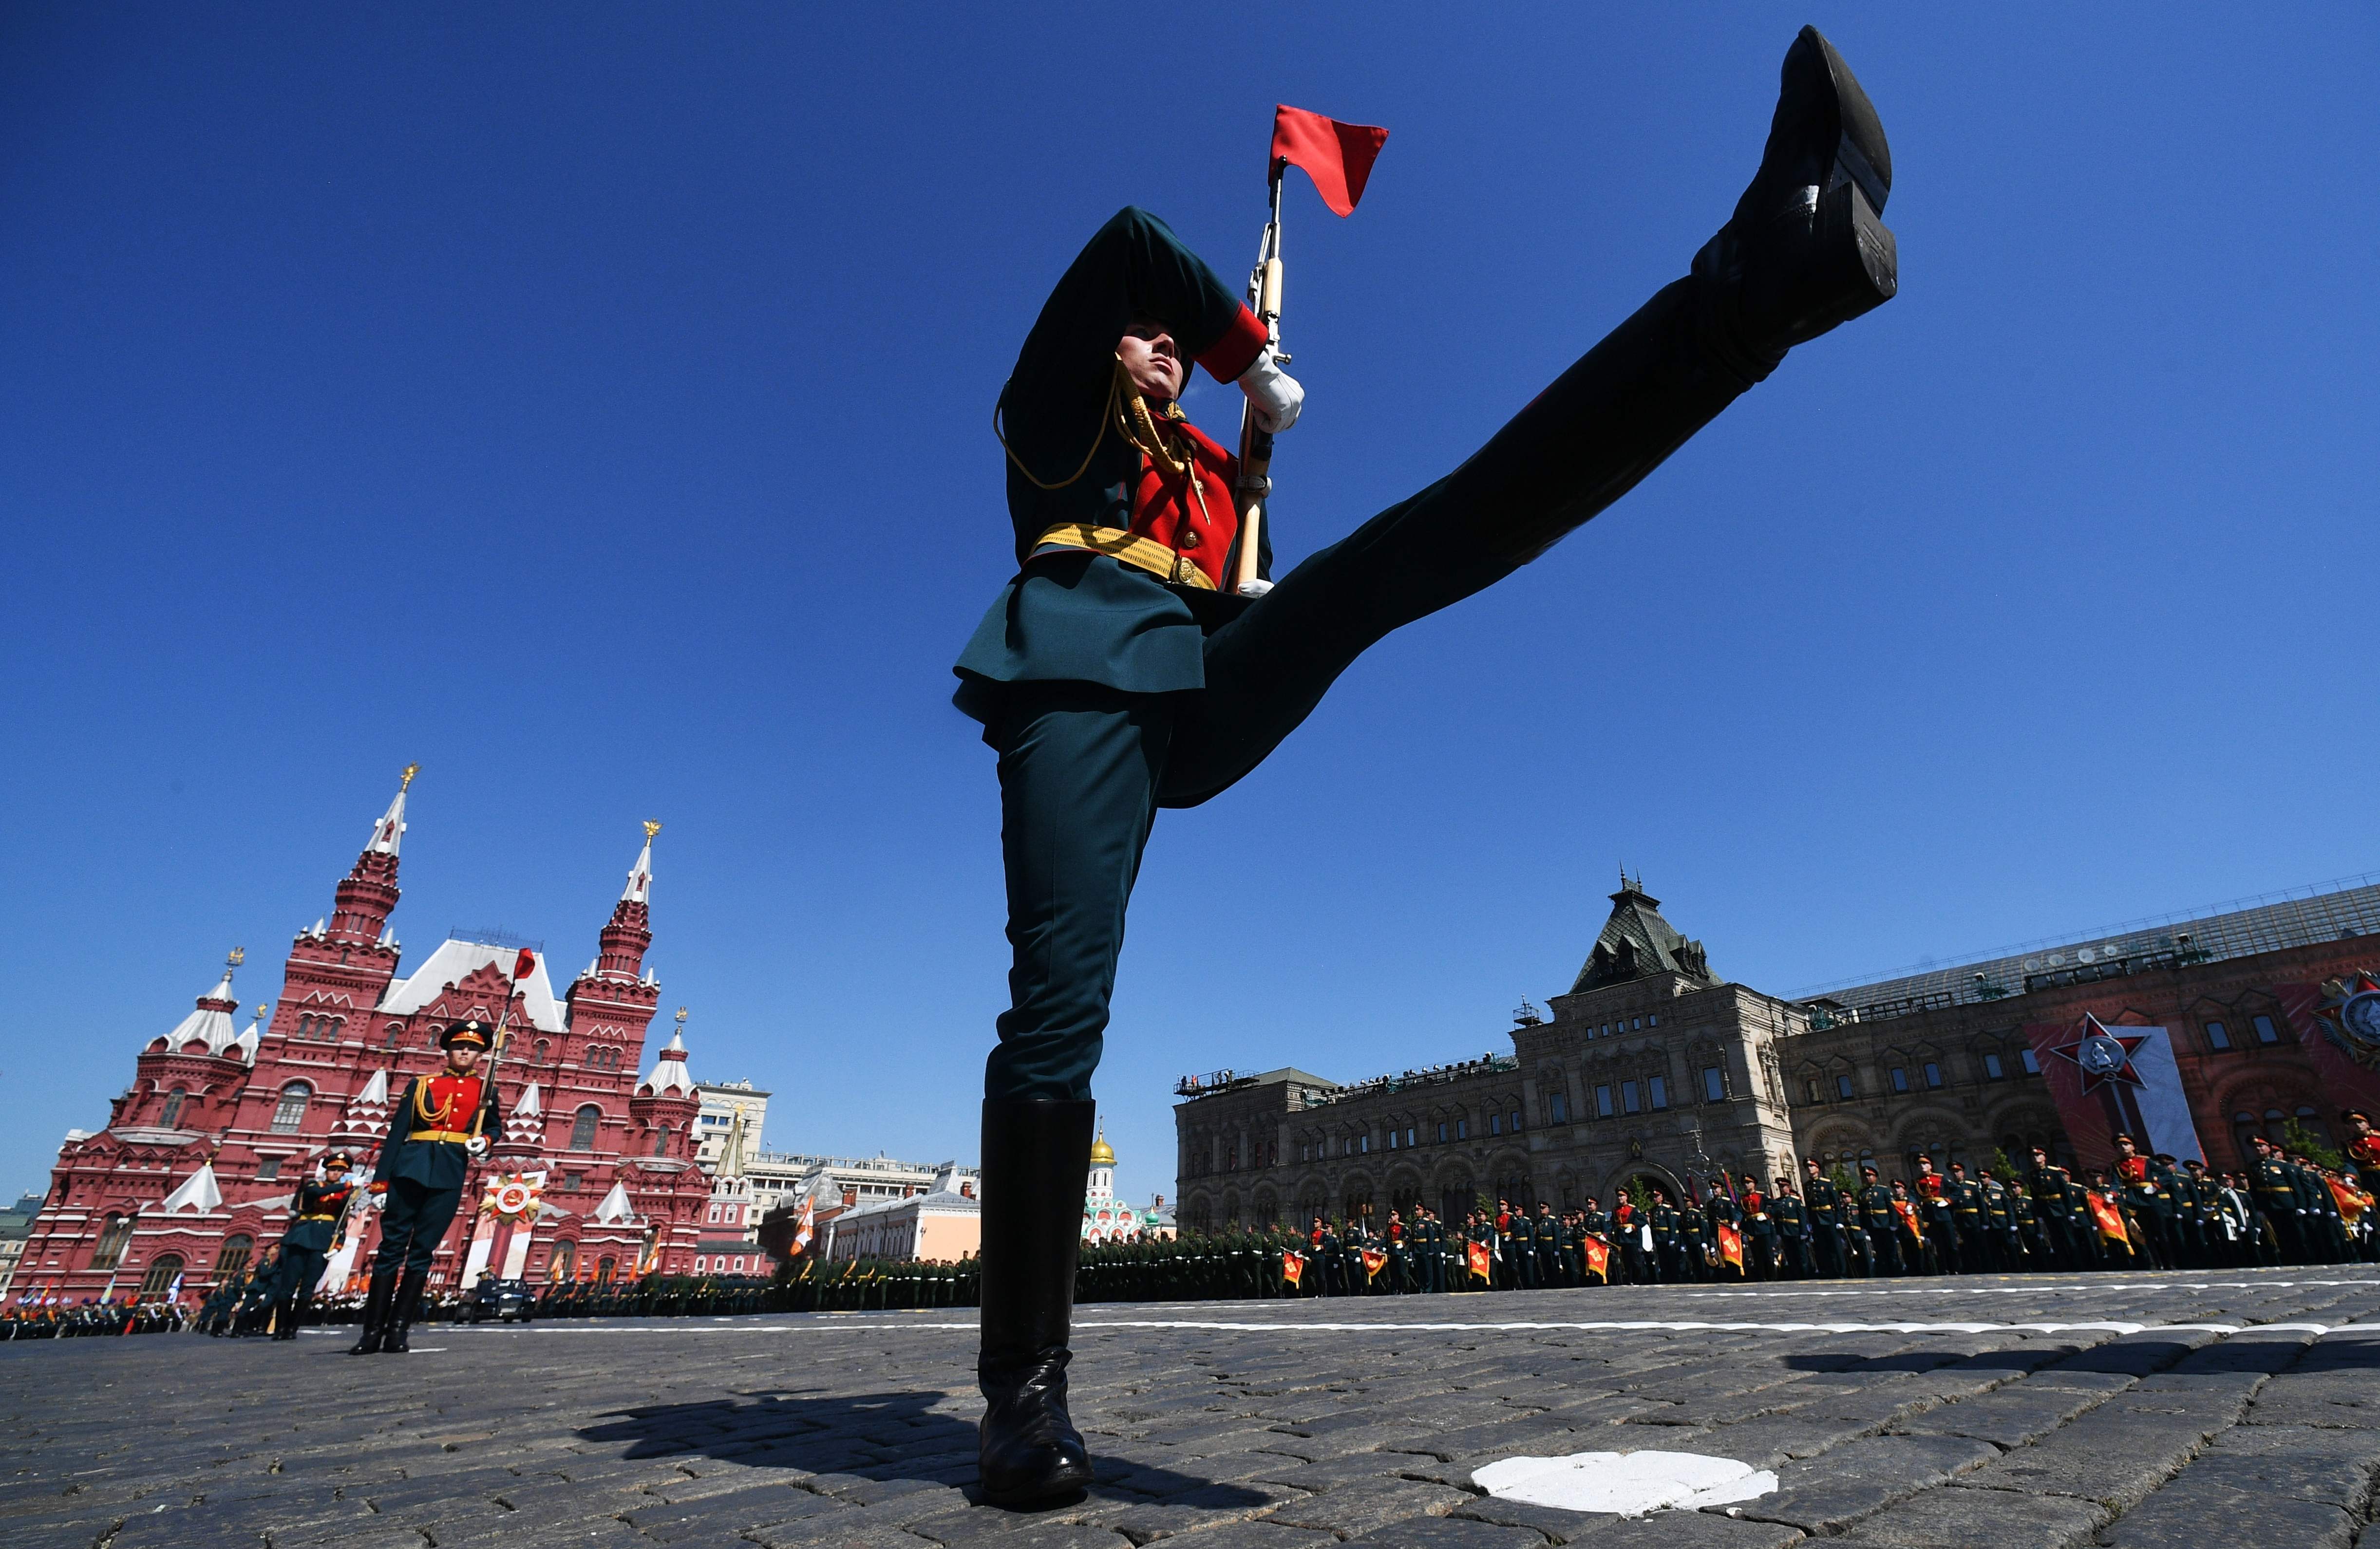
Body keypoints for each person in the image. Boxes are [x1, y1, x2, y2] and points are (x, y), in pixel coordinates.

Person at [952, 25, 1898, 1507]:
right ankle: (1022, 1383)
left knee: (1411, 546)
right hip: (1075, 691)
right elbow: (1129, 240)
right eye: (1147, 339)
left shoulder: (1206, 479)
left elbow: (1234, 579)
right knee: (1060, 1003)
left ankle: (1753, 288)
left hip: (1194, 680)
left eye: (1167, 340)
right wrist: (1247, 356)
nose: (1152, 346)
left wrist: (1248, 495)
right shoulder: (1051, 424)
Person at [352, 1019, 502, 1355]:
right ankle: (371, 1332)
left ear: (481, 1055)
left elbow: (495, 1127)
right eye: (460, 1046)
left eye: (474, 1048)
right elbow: (396, 1133)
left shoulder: (486, 1091)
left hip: (450, 1173)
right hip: (410, 1168)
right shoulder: (422, 1085)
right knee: (390, 1250)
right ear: (448, 1050)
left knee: (422, 1253)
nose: (466, 1051)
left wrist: (485, 1140)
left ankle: (397, 1331)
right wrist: (380, 1183)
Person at [269, 1152, 358, 1340]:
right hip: (301, 1237)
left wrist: (338, 1245)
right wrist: (349, 1185)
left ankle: (292, 1329)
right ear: (326, 1170)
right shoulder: (313, 1184)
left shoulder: (344, 1193)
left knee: (308, 1288)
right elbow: (315, 1194)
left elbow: (342, 1221)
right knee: (288, 1286)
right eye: (333, 1170)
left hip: (323, 1241)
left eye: (339, 1171)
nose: (335, 1173)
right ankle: (280, 1328)